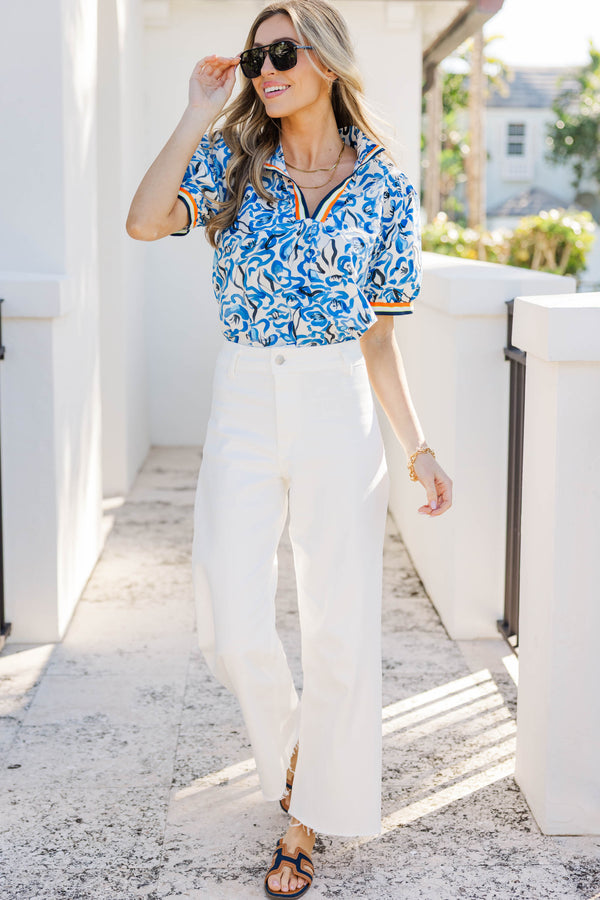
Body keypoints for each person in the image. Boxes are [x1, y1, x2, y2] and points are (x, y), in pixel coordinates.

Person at [127, 0, 452, 895]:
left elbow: (381, 337)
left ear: (327, 61)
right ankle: (297, 760)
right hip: (243, 395)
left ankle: (306, 819)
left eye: (282, 52)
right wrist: (197, 109)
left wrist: (418, 447)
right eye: (256, 54)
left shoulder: (382, 181)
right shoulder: (233, 157)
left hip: (335, 401)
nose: (265, 68)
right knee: (232, 620)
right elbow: (145, 221)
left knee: (339, 624)